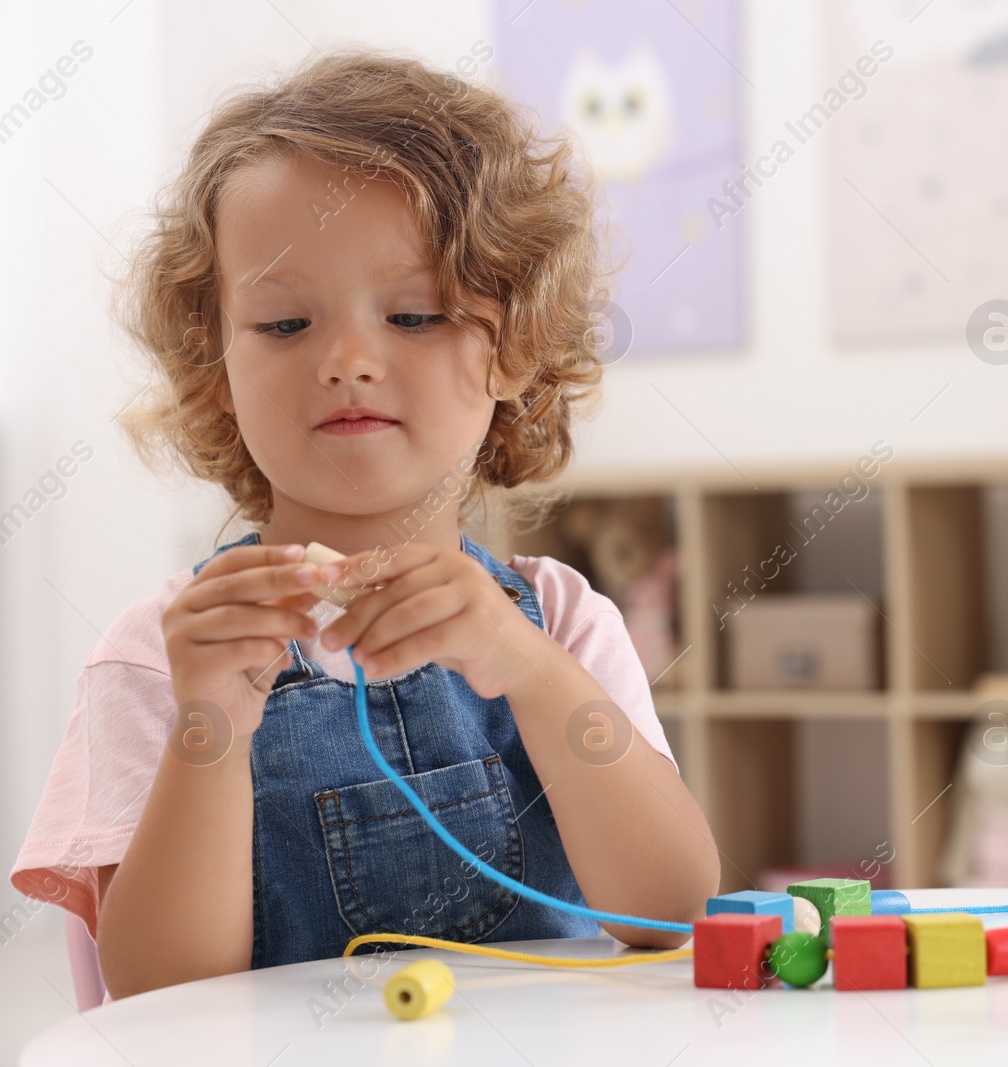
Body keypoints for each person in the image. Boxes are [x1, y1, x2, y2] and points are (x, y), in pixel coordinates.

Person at [7, 49, 719, 1000]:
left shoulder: (561, 620)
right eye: (285, 325)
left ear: (512, 349)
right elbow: (159, 998)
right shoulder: (159, 657)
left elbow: (670, 908)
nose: (346, 358)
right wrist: (210, 721)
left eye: (415, 315)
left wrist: (526, 664)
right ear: (217, 368)